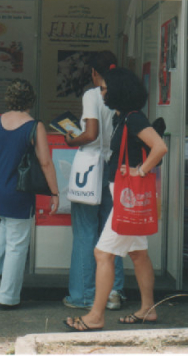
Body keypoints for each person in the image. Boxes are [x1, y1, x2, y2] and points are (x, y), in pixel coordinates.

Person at [64, 67, 167, 331]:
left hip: (127, 198)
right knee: (138, 253)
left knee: (102, 253)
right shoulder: (125, 117)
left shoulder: (133, 119)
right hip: (126, 196)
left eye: (106, 88)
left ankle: (95, 316)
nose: (103, 92)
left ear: (119, 90)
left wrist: (140, 170)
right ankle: (147, 309)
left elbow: (160, 147)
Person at [0, 78, 60, 310]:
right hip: (17, 190)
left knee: (6, 223)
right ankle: (8, 298)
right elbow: (45, 162)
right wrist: (54, 192)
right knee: (17, 244)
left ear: (9, 99)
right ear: (30, 101)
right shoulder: (34, 126)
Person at [63, 51, 126, 311]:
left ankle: (84, 296)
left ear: (93, 73)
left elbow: (90, 134)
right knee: (112, 232)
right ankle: (113, 293)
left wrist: (70, 138)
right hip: (114, 168)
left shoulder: (92, 94)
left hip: (90, 168)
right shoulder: (123, 93)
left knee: (85, 232)